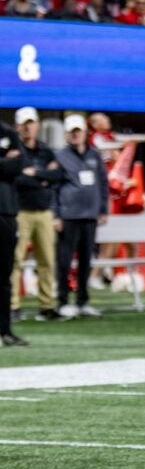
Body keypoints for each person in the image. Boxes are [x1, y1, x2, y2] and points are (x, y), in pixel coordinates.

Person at [54, 114, 109, 320]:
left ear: (85, 133)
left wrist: (103, 209)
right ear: (67, 134)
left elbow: (103, 183)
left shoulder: (94, 155)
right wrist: (56, 214)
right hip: (68, 216)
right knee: (64, 261)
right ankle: (62, 302)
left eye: (79, 130)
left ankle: (83, 300)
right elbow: (54, 188)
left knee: (86, 260)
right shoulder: (60, 156)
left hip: (90, 215)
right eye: (72, 131)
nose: (76, 134)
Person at [11, 107, 63, 322]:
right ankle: (12, 305)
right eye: (23, 123)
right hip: (19, 211)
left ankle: (47, 304)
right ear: (17, 126)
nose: (27, 127)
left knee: (47, 260)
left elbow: (57, 175)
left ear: (37, 125)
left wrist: (36, 174)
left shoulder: (45, 150)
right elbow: (16, 178)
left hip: (44, 211)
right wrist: (42, 178)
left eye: (30, 123)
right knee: (14, 260)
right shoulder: (13, 151)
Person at [0, 117, 29, 347]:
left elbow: (20, 165)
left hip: (6, 211)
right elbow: (10, 166)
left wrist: (9, 163)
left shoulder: (8, 132)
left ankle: (5, 330)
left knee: (5, 274)